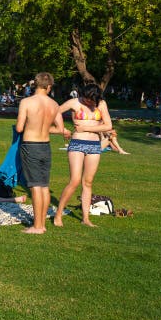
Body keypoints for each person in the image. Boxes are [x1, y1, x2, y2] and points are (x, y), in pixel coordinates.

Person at [54, 83, 113, 228]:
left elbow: (108, 126)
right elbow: (54, 112)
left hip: (94, 146)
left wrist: (86, 127)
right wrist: (62, 129)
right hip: (77, 144)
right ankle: (58, 215)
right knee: (74, 180)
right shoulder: (74, 102)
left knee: (88, 182)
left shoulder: (102, 104)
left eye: (92, 100)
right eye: (86, 99)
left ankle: (85, 218)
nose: (89, 102)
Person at [16, 72, 68, 234]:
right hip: (46, 146)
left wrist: (31, 127)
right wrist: (45, 128)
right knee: (44, 186)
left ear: (35, 84)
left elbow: (19, 127)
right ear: (49, 86)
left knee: (35, 187)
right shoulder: (54, 105)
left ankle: (38, 226)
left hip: (31, 145)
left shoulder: (26, 102)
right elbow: (60, 129)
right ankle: (41, 223)